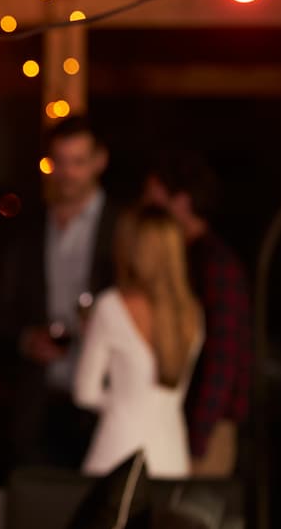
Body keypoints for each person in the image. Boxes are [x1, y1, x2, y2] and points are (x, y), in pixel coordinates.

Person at [0, 115, 120, 468]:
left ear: (99, 162)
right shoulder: (30, 225)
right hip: (40, 398)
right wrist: (25, 339)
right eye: (60, 163)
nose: (67, 173)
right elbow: (0, 307)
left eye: (78, 162)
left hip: (103, 400)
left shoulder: (121, 226)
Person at [74, 205, 204, 478]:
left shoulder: (112, 306)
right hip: (171, 455)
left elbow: (85, 392)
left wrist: (123, 401)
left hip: (118, 454)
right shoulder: (192, 313)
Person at [143, 150, 251, 477]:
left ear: (182, 202)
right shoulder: (184, 259)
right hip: (181, 423)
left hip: (206, 428)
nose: (147, 212)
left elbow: (223, 359)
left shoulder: (214, 265)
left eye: (154, 202)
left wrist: (196, 441)